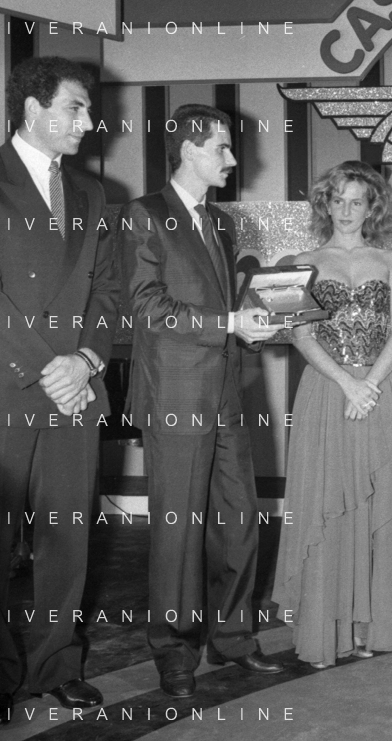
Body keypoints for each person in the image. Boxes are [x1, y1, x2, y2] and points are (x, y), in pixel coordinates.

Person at [0, 56, 118, 725]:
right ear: (33, 108)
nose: (88, 122)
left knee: (68, 538)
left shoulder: (94, 193)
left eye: (88, 109)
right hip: (2, 385)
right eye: (75, 107)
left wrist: (87, 361)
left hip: (76, 389)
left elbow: (108, 292)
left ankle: (56, 665)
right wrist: (53, 370)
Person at [120, 103, 284, 699]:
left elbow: (222, 312)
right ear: (188, 150)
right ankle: (173, 648)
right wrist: (230, 322)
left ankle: (233, 637)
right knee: (178, 533)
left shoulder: (217, 222)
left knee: (239, 522)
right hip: (175, 395)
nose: (233, 159)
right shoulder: (144, 214)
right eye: (222, 147)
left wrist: (251, 324)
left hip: (225, 397)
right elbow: (148, 308)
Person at [272, 161, 392, 668]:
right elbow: (299, 335)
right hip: (326, 393)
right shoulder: (298, 261)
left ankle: (370, 627)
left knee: (380, 503)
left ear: (372, 206)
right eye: (339, 200)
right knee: (326, 505)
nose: (348, 210)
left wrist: (368, 384)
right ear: (325, 204)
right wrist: (348, 384)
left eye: (358, 201)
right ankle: (324, 633)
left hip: (380, 392)